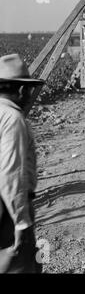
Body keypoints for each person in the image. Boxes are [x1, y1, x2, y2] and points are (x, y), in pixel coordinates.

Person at [0, 54, 44, 273]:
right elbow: (11, 173)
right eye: (27, 89)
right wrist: (21, 222)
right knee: (22, 265)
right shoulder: (12, 119)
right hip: (7, 209)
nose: (28, 95)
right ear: (20, 90)